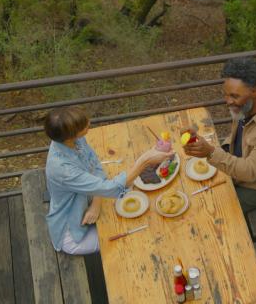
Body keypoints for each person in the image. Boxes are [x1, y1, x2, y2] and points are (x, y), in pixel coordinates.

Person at [44, 106, 172, 255]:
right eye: (83, 125)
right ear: (70, 136)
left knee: (139, 218)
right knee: (133, 236)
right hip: (73, 233)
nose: (89, 123)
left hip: (89, 203)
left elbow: (96, 167)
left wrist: (96, 203)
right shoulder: (62, 169)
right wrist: (144, 161)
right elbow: (109, 188)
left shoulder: (74, 141)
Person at [184, 58, 256, 213]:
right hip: (239, 169)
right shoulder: (246, 104)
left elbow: (250, 172)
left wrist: (211, 152)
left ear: (254, 91)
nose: (228, 101)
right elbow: (240, 135)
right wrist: (218, 147)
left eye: (234, 96)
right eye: (226, 94)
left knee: (212, 209)